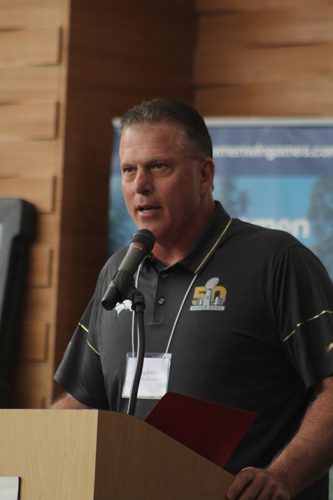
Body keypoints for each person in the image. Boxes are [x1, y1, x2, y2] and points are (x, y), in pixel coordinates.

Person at [53, 97, 333, 499]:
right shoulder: (118, 272)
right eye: (129, 170)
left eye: (158, 167)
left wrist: (282, 476)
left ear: (205, 174)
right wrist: (25, 446)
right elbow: (84, 401)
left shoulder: (276, 260)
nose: (140, 185)